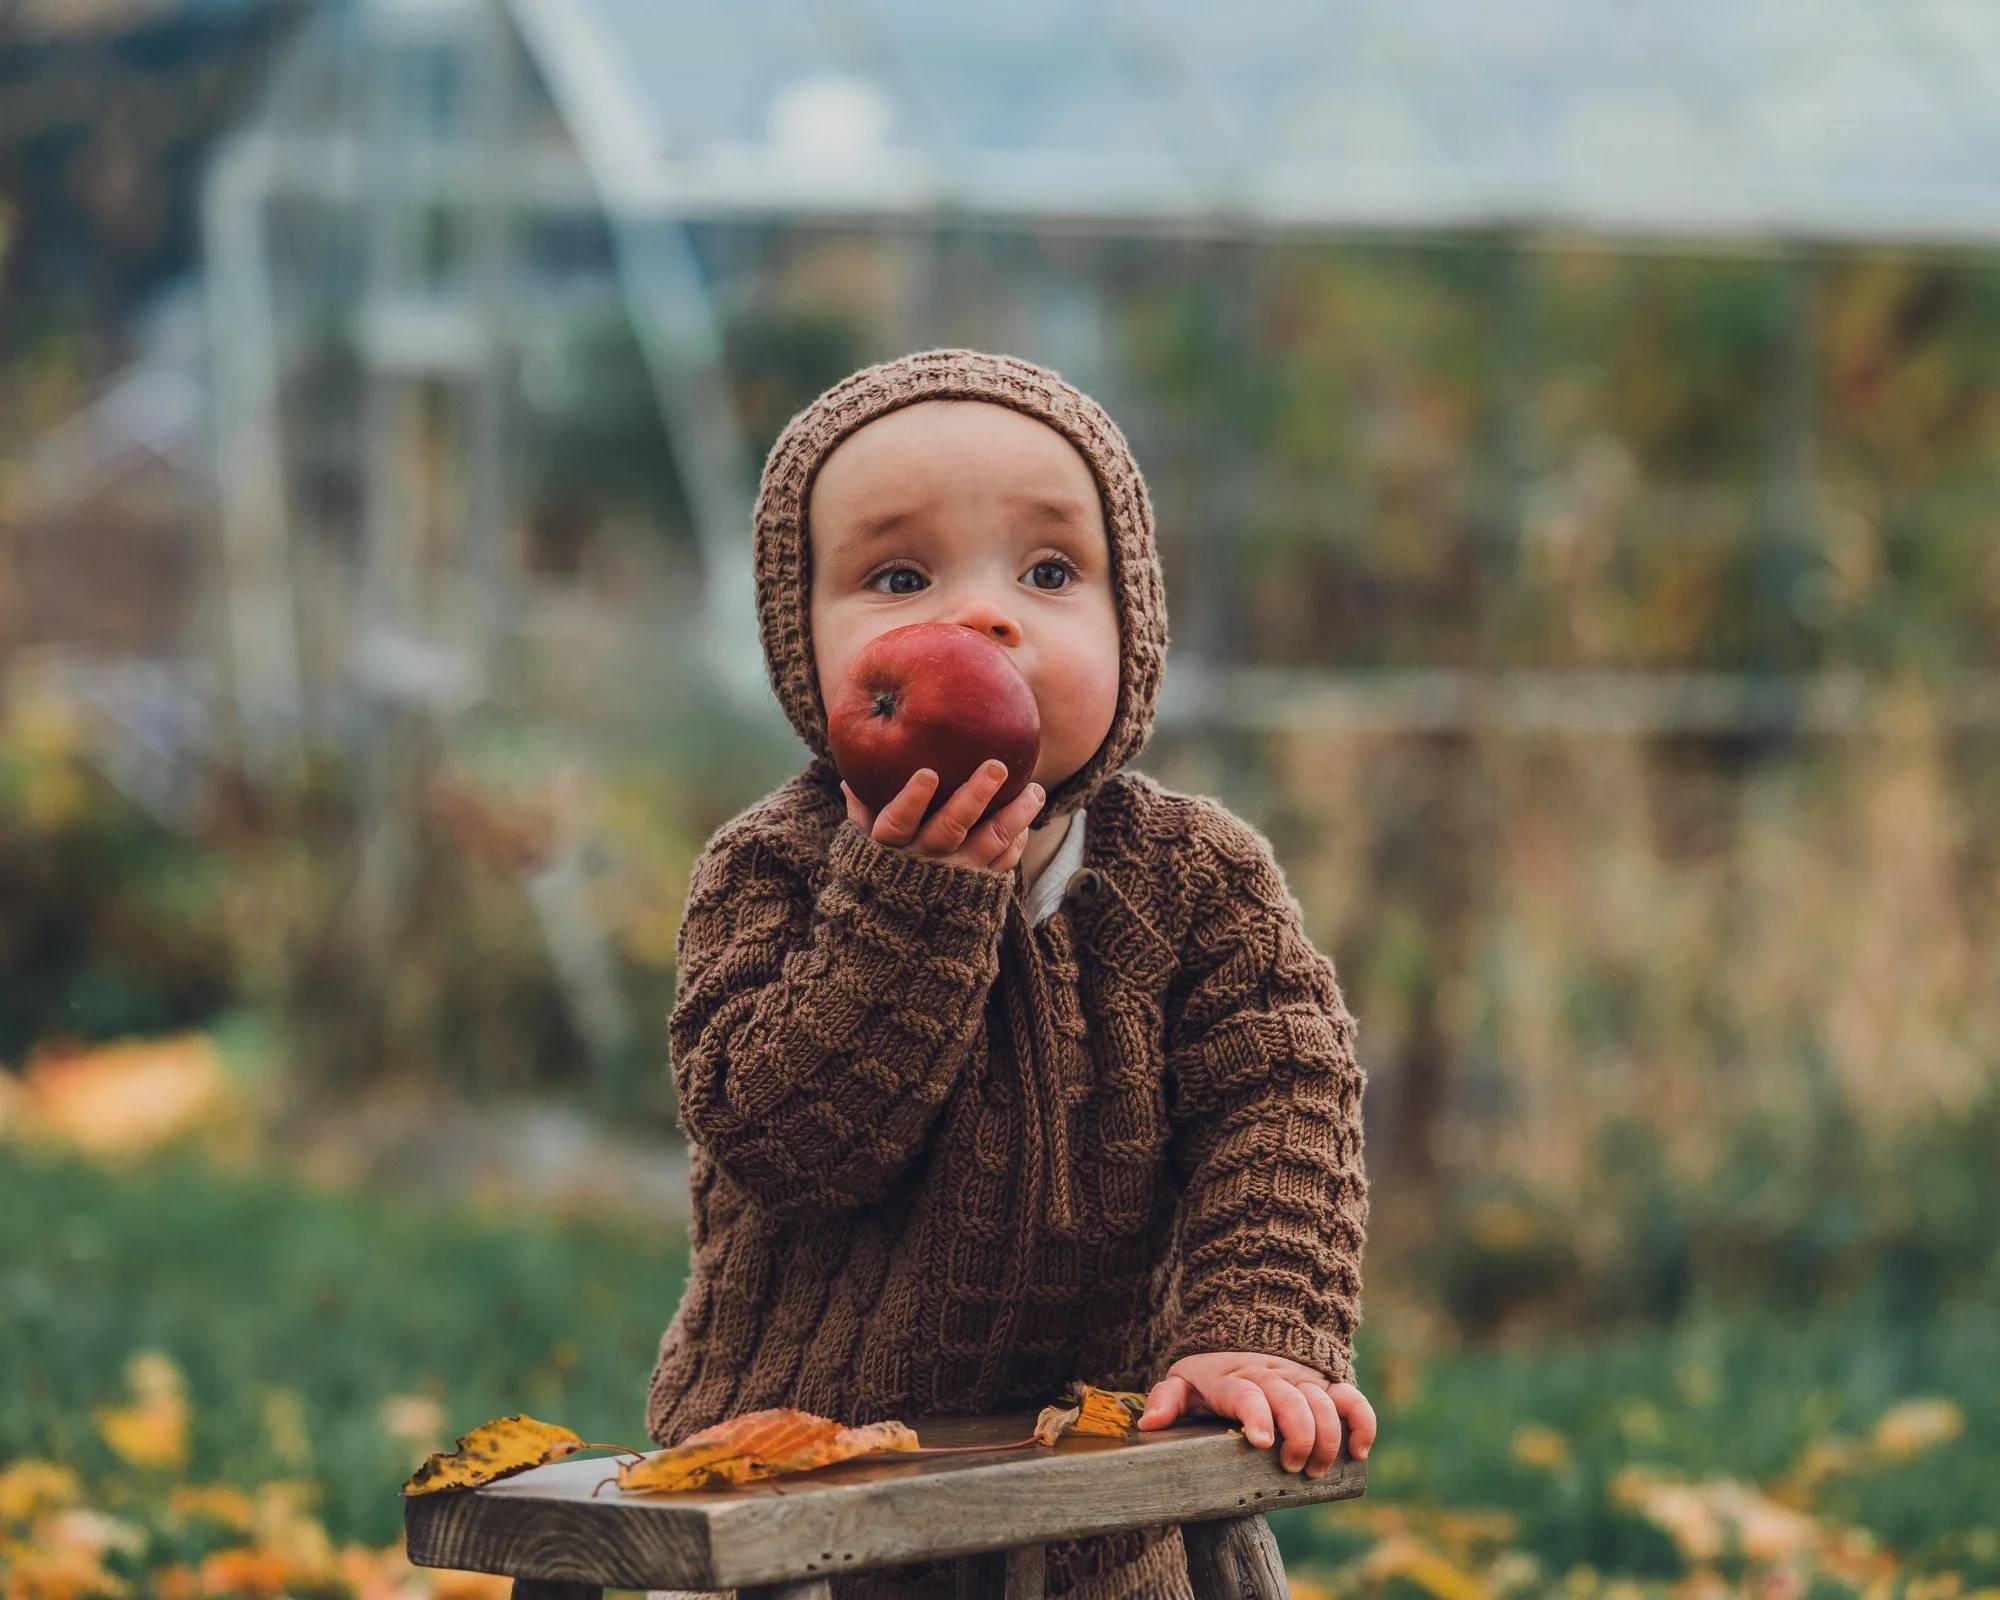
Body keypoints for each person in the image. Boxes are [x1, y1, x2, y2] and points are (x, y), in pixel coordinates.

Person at [646, 349, 1373, 1600]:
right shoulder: (770, 871)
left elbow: (1281, 1101)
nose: (983, 618)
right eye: (898, 577)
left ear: (1132, 623)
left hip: (1095, 1500)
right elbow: (781, 1141)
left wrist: (1253, 1325)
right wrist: (908, 905)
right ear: (798, 644)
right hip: (799, 1491)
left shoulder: (1196, 882)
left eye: (1047, 572)